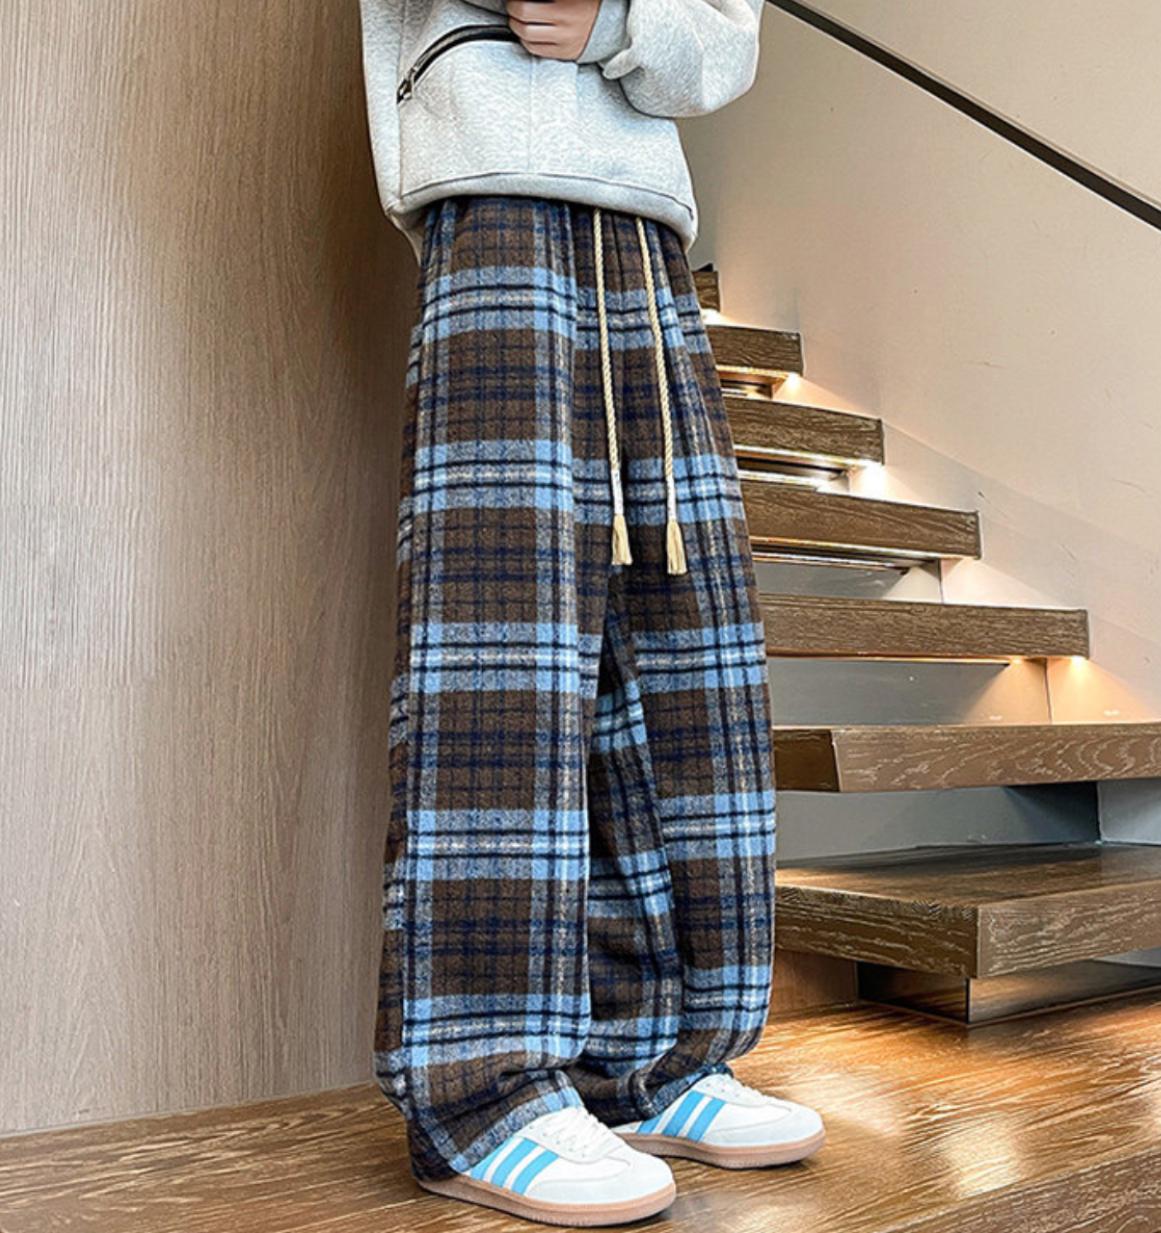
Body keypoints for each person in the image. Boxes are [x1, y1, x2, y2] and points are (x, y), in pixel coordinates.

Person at [357, 0, 825, 1223]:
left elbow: (724, 46)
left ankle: (653, 1059)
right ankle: (482, 1090)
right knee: (500, 648)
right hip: (496, 186)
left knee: (684, 645)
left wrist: (618, 14)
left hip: (648, 221)